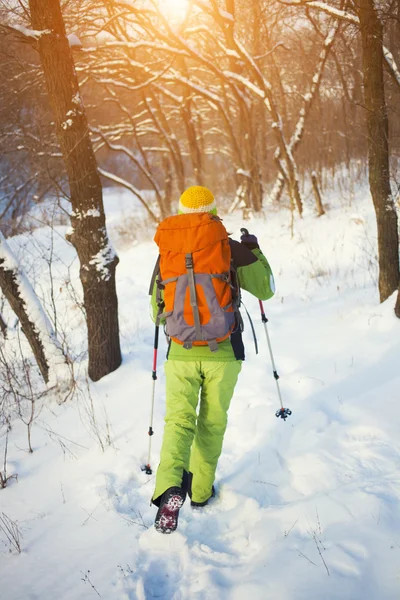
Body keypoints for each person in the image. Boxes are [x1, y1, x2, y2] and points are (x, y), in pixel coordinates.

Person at [149, 186, 275, 534]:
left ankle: (169, 488)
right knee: (211, 424)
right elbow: (266, 288)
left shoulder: (167, 253)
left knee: (178, 423)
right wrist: (255, 250)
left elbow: (155, 312)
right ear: (214, 211)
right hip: (224, 353)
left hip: (180, 354)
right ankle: (201, 493)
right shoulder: (229, 248)